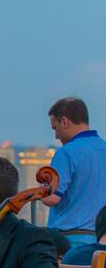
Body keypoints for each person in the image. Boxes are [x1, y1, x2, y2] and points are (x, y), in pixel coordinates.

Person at [42, 97, 106, 248]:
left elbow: (51, 198)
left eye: (55, 128)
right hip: (102, 239)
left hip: (70, 240)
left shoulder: (66, 153)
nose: (56, 136)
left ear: (64, 122)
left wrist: (42, 189)